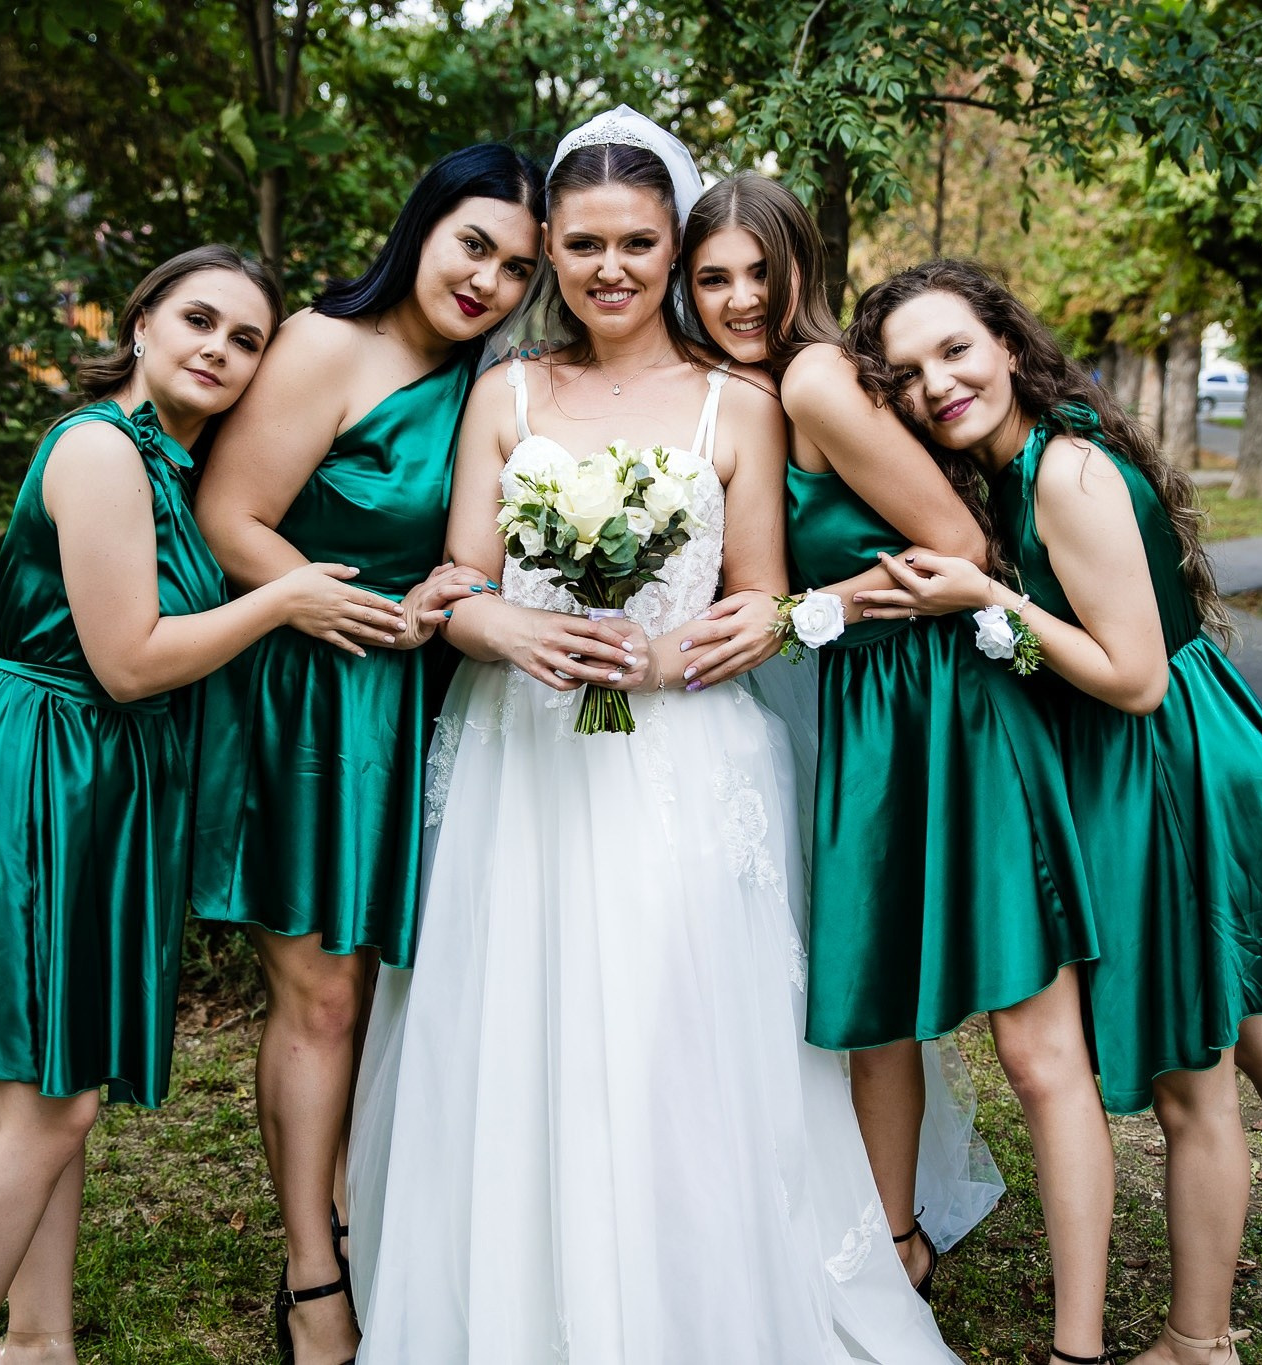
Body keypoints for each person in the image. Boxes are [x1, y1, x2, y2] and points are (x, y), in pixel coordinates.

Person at [347, 108, 959, 1365]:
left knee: (679, 1029)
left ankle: (696, 1291)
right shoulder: (503, 391)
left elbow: (764, 600)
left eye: (636, 242)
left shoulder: (738, 402)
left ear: (672, 244)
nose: (608, 269)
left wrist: (682, 651)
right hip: (521, 756)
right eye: (580, 245)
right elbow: (457, 579)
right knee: (515, 1029)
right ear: (552, 252)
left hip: (684, 762)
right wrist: (500, 628)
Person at [845, 258, 1262, 1365]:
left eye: (952, 351)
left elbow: (1130, 678)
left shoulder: (1061, 471)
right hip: (1178, 747)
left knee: (1194, 1079)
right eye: (902, 375)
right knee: (1258, 1028)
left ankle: (1197, 1344)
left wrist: (986, 595)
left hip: (1165, 766)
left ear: (1003, 342)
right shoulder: (1023, 458)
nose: (935, 384)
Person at [0, 245, 366, 1365]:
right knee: (54, 1108)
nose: (219, 350)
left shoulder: (175, 468)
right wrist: (282, 597)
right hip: (42, 777)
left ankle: (38, 1344)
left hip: (106, 786)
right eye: (198, 319)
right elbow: (128, 661)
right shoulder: (99, 451)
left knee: (53, 1085)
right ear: (139, 323)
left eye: (245, 341)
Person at [680, 176, 1111, 1365]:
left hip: (946, 703)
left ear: (800, 271)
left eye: (759, 272)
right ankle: (894, 1247)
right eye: (712, 277)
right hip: (866, 718)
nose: (738, 299)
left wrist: (801, 608)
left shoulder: (816, 378)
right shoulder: (745, 401)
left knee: (1031, 1041)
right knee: (874, 1016)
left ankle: (1077, 1344)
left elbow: (960, 545)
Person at [188, 143, 544, 1365]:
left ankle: (350, 1212)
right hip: (311, 701)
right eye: (473, 245)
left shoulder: (491, 384)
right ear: (424, 227)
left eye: (514, 269)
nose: (488, 280)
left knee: (380, 994)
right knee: (322, 994)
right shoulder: (324, 346)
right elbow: (226, 513)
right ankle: (310, 1276)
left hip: (420, 703)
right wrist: (318, 600)